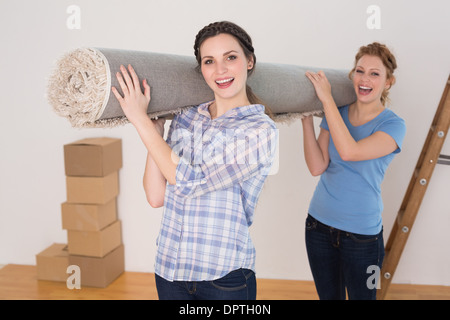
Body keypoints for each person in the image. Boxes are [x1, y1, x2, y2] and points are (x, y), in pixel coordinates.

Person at [111, 21, 278, 300]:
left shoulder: (259, 131)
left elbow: (190, 182)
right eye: (209, 61)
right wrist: (155, 131)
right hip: (170, 270)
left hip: (224, 278)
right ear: (201, 69)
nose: (220, 70)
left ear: (249, 61)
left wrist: (138, 119)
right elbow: (155, 196)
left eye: (231, 57)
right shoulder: (187, 117)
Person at [301, 42, 406, 300]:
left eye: (374, 73)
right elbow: (317, 166)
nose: (365, 79)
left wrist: (326, 98)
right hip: (318, 226)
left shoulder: (394, 125)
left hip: (363, 238)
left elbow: (351, 151)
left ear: (388, 82)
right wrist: (304, 119)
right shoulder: (337, 112)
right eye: (360, 71)